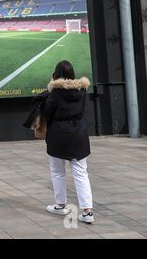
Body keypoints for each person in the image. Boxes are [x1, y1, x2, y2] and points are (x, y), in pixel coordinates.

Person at [42, 60, 95, 223]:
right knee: (81, 173)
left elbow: (46, 112)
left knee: (58, 171)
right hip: (78, 134)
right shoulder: (82, 90)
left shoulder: (55, 93)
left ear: (56, 74)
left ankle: (60, 205)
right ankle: (87, 212)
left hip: (59, 135)